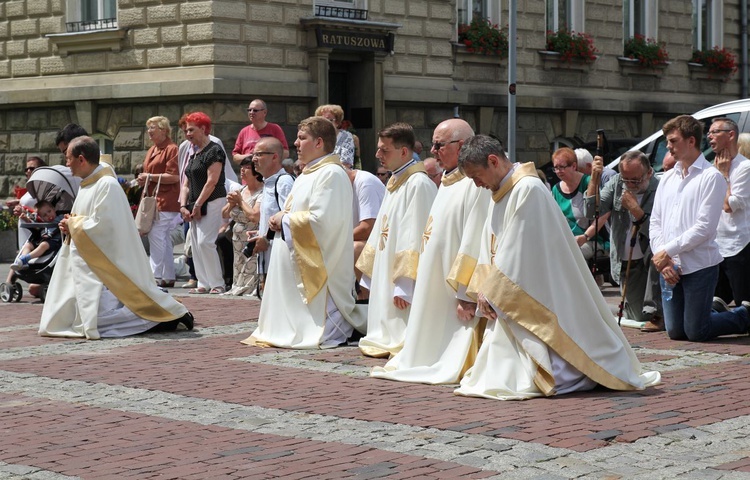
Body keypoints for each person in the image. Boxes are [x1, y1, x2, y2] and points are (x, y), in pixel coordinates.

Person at [449, 135, 660, 400]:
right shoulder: (502, 191)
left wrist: (491, 289)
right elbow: (493, 243)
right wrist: (484, 285)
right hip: (515, 285)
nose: (476, 184)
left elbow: (519, 248)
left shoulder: (528, 189)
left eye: (476, 176)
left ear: (493, 161)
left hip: (541, 284)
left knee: (543, 365)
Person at [370, 118, 490, 384]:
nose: (432, 151)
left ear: (461, 145)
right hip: (434, 276)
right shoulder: (447, 180)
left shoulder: (475, 183)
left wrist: (465, 292)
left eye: (439, 145)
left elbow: (474, 240)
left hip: (454, 285)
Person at [39, 136, 193, 339]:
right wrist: (68, 224)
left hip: (108, 268)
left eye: (68, 158)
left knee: (95, 314)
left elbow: (105, 227)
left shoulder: (107, 185)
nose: (66, 164)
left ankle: (168, 317)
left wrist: (73, 224)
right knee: (76, 313)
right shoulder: (87, 185)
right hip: (87, 264)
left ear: (82, 159)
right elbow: (86, 220)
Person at [242, 116, 364, 349]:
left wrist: (283, 218)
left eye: (301, 138)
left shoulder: (332, 174)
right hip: (288, 251)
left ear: (319, 142)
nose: (295, 144)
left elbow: (323, 221)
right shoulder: (309, 173)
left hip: (324, 264)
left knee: (317, 327)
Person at [651, 115, 750, 342]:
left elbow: (704, 227)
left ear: (691, 141)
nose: (669, 147)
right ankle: (712, 312)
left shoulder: (711, 177)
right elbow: (655, 221)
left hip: (699, 265)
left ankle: (743, 315)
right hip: (669, 264)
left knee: (697, 332)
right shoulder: (667, 178)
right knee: (675, 332)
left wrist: (667, 251)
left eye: (673, 141)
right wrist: (663, 257)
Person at [357, 123, 437, 358]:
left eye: (384, 150)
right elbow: (381, 229)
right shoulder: (396, 180)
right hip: (386, 262)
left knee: (400, 329)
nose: (377, 155)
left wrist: (405, 285)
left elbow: (415, 237)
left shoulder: (418, 183)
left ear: (404, 152)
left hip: (402, 277)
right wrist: (368, 274)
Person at [584, 151, 664, 332]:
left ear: (649, 173)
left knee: (653, 312)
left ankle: (663, 313)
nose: (630, 184)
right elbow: (592, 212)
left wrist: (636, 210)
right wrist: (594, 179)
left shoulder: (660, 188)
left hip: (652, 262)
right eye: (626, 179)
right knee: (638, 316)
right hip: (627, 262)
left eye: (635, 180)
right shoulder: (616, 183)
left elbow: (659, 232)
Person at [176, 113, 236, 289]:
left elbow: (212, 181)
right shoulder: (194, 153)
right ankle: (203, 282)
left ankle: (217, 283)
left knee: (205, 242)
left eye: (191, 130)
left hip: (213, 201)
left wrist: (198, 204)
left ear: (203, 129)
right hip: (195, 203)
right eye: (186, 130)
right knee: (195, 244)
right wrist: (183, 206)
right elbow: (185, 183)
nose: (187, 134)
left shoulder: (214, 150)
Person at [706, 118, 750, 308]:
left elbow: (728, 205)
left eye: (715, 132)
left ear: (730, 135)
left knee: (744, 305)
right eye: (709, 132)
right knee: (715, 304)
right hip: (716, 245)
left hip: (738, 245)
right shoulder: (710, 167)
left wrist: (723, 175)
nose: (709, 136)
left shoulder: (745, 167)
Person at [137, 116, 181, 288]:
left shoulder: (172, 149)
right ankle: (168, 275)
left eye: (153, 127)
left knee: (157, 235)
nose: (149, 131)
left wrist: (150, 177)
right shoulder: (153, 149)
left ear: (163, 130)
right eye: (148, 128)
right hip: (156, 199)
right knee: (162, 237)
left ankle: (154, 276)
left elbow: (175, 176)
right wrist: (145, 179)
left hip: (166, 199)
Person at [246, 137, 295, 286]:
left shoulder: (283, 182)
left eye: (259, 154)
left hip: (280, 258)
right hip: (269, 258)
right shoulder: (268, 183)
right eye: (253, 154)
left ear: (274, 157)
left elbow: (288, 217)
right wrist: (261, 233)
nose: (254, 159)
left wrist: (266, 239)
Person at [551, 147, 610, 261]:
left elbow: (604, 214)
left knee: (569, 258)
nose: (558, 171)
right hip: (567, 242)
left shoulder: (589, 183)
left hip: (592, 240)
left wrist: (585, 237)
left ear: (573, 166)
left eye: (562, 167)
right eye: (556, 168)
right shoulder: (556, 189)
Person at [221, 158, 263, 296]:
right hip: (237, 237)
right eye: (241, 167)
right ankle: (237, 286)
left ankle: (250, 289)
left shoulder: (262, 192)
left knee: (250, 266)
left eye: (246, 168)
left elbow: (254, 216)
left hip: (252, 236)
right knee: (238, 265)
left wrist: (240, 201)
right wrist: (232, 203)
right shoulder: (241, 189)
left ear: (256, 172)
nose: (242, 171)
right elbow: (224, 213)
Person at [9, 200, 62, 272]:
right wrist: (26, 219)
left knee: (43, 245)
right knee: (28, 245)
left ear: (53, 209)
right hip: (42, 240)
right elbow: (34, 223)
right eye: (44, 215)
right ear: (42, 218)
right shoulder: (43, 222)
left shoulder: (60, 218)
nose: (48, 215)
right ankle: (24, 261)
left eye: (49, 211)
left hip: (54, 241)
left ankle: (25, 258)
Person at [232, 98, 289, 165]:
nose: (251, 112)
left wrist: (265, 158)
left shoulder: (275, 129)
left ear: (264, 112)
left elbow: (285, 153)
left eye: (255, 110)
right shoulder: (244, 131)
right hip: (249, 172)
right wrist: (251, 157)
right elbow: (235, 157)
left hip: (268, 173)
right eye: (249, 110)